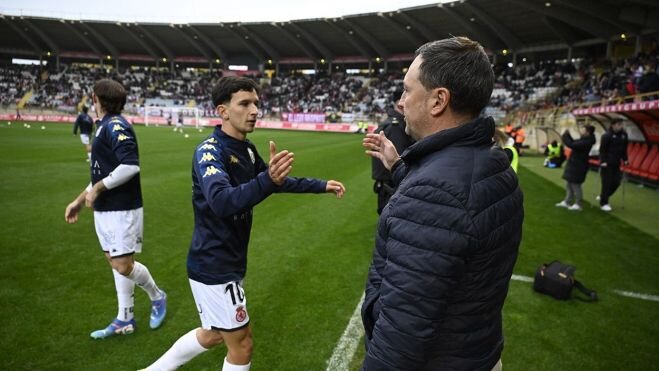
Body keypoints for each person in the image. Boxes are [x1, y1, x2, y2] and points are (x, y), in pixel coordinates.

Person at [142, 76, 346, 371]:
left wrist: (320, 185)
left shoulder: (247, 150)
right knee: (243, 344)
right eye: (245, 104)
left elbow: (274, 182)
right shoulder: (209, 151)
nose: (254, 111)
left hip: (229, 258)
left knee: (213, 335)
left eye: (256, 104)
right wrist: (267, 180)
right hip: (214, 262)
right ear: (222, 111)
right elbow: (222, 202)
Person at [361, 37, 523, 371]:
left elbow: (403, 329)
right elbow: (455, 209)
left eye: (407, 91)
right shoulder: (492, 162)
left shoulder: (434, 193)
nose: (401, 103)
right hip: (477, 351)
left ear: (438, 100)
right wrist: (399, 167)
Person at [64, 79, 167, 339]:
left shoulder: (117, 125)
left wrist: (97, 189)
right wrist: (80, 199)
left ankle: (158, 296)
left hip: (122, 208)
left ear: (98, 99)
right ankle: (125, 318)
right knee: (114, 262)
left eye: (93, 98)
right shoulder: (103, 127)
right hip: (105, 209)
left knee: (123, 265)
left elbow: (130, 165)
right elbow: (102, 172)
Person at [371, 89, 414, 214]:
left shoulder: (392, 123)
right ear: (400, 103)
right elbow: (400, 161)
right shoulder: (395, 127)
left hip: (388, 185)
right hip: (392, 185)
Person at [555, 125, 596, 211]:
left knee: (575, 184)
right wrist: (568, 134)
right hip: (574, 164)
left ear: (588, 132)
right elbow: (573, 142)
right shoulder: (584, 139)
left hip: (579, 165)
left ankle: (578, 204)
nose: (581, 130)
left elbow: (572, 144)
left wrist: (565, 135)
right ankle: (567, 201)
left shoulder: (587, 142)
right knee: (569, 183)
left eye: (583, 129)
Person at [598, 119, 628, 211]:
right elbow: (602, 150)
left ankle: (604, 195)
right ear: (613, 125)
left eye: (621, 124)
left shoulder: (624, 135)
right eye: (619, 124)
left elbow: (624, 149)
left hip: (617, 163)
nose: (621, 126)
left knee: (617, 182)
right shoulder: (607, 136)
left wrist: (625, 159)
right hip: (607, 163)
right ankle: (604, 203)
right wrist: (603, 161)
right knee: (606, 183)